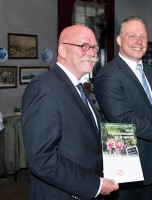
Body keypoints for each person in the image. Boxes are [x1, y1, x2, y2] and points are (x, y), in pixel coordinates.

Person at [93, 16, 152, 200]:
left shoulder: (150, 72)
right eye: (132, 36)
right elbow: (124, 121)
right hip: (125, 164)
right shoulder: (108, 75)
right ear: (119, 40)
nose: (139, 41)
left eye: (143, 36)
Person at [21, 24, 119, 200]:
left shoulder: (80, 89)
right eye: (84, 46)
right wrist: (94, 186)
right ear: (63, 51)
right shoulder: (44, 88)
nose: (92, 53)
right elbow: (42, 159)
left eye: (95, 47)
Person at [0, 111, 7, 180]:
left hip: (1, 129)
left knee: (2, 151)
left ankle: (2, 172)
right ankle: (1, 173)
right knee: (1, 152)